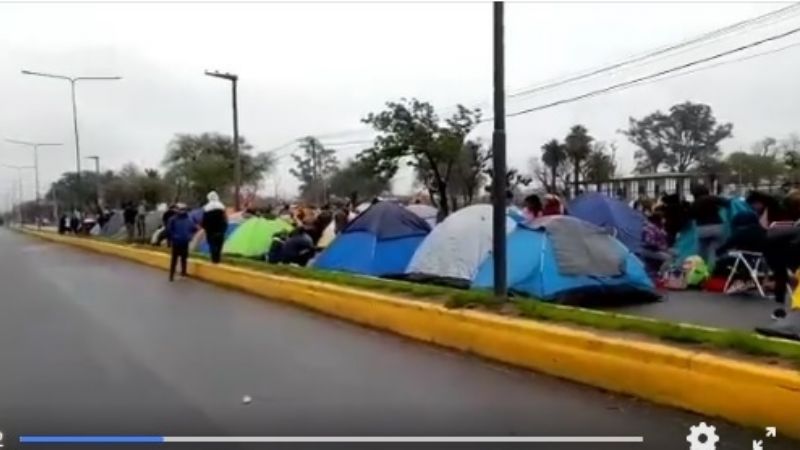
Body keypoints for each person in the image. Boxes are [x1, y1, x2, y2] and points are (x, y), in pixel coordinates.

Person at [690, 184, 729, 267]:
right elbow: (727, 203)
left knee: (702, 250)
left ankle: (699, 268)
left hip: (701, 229)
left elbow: (692, 216)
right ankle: (716, 268)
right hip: (717, 226)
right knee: (717, 249)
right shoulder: (711, 198)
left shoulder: (694, 203)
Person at [165, 203, 196, 281]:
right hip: (177, 242)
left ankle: (183, 272)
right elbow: (169, 230)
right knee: (174, 259)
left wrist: (189, 236)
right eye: (180, 209)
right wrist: (173, 237)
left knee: (183, 258)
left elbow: (193, 228)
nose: (182, 211)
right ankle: (171, 275)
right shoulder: (173, 219)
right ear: (177, 210)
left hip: (184, 241)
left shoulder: (188, 219)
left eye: (183, 209)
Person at [201, 191, 228, 264]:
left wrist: (205, 227)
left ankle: (214, 260)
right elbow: (225, 219)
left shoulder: (206, 208)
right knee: (219, 246)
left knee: (212, 245)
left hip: (210, 231)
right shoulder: (222, 206)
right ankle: (217, 260)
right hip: (220, 230)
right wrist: (224, 228)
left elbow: (204, 221)